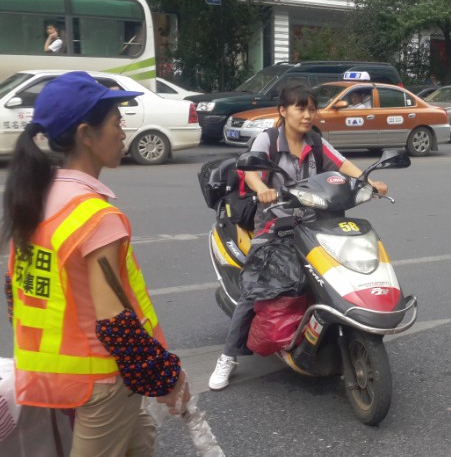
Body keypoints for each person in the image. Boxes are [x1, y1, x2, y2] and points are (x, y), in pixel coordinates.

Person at [1, 71, 190, 456]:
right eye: (117, 123)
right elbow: (114, 321)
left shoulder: (36, 198)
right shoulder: (94, 216)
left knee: (138, 441)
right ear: (86, 134)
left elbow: (15, 293)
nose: (123, 133)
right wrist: (166, 377)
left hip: (52, 374)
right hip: (100, 382)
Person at [209, 84, 388, 390]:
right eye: (300, 108)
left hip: (314, 222)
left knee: (339, 270)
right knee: (256, 287)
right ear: (283, 111)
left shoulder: (315, 142)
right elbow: (250, 171)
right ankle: (228, 357)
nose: (307, 115)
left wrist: (367, 181)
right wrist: (261, 189)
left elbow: (342, 164)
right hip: (275, 224)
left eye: (311, 109)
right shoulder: (268, 140)